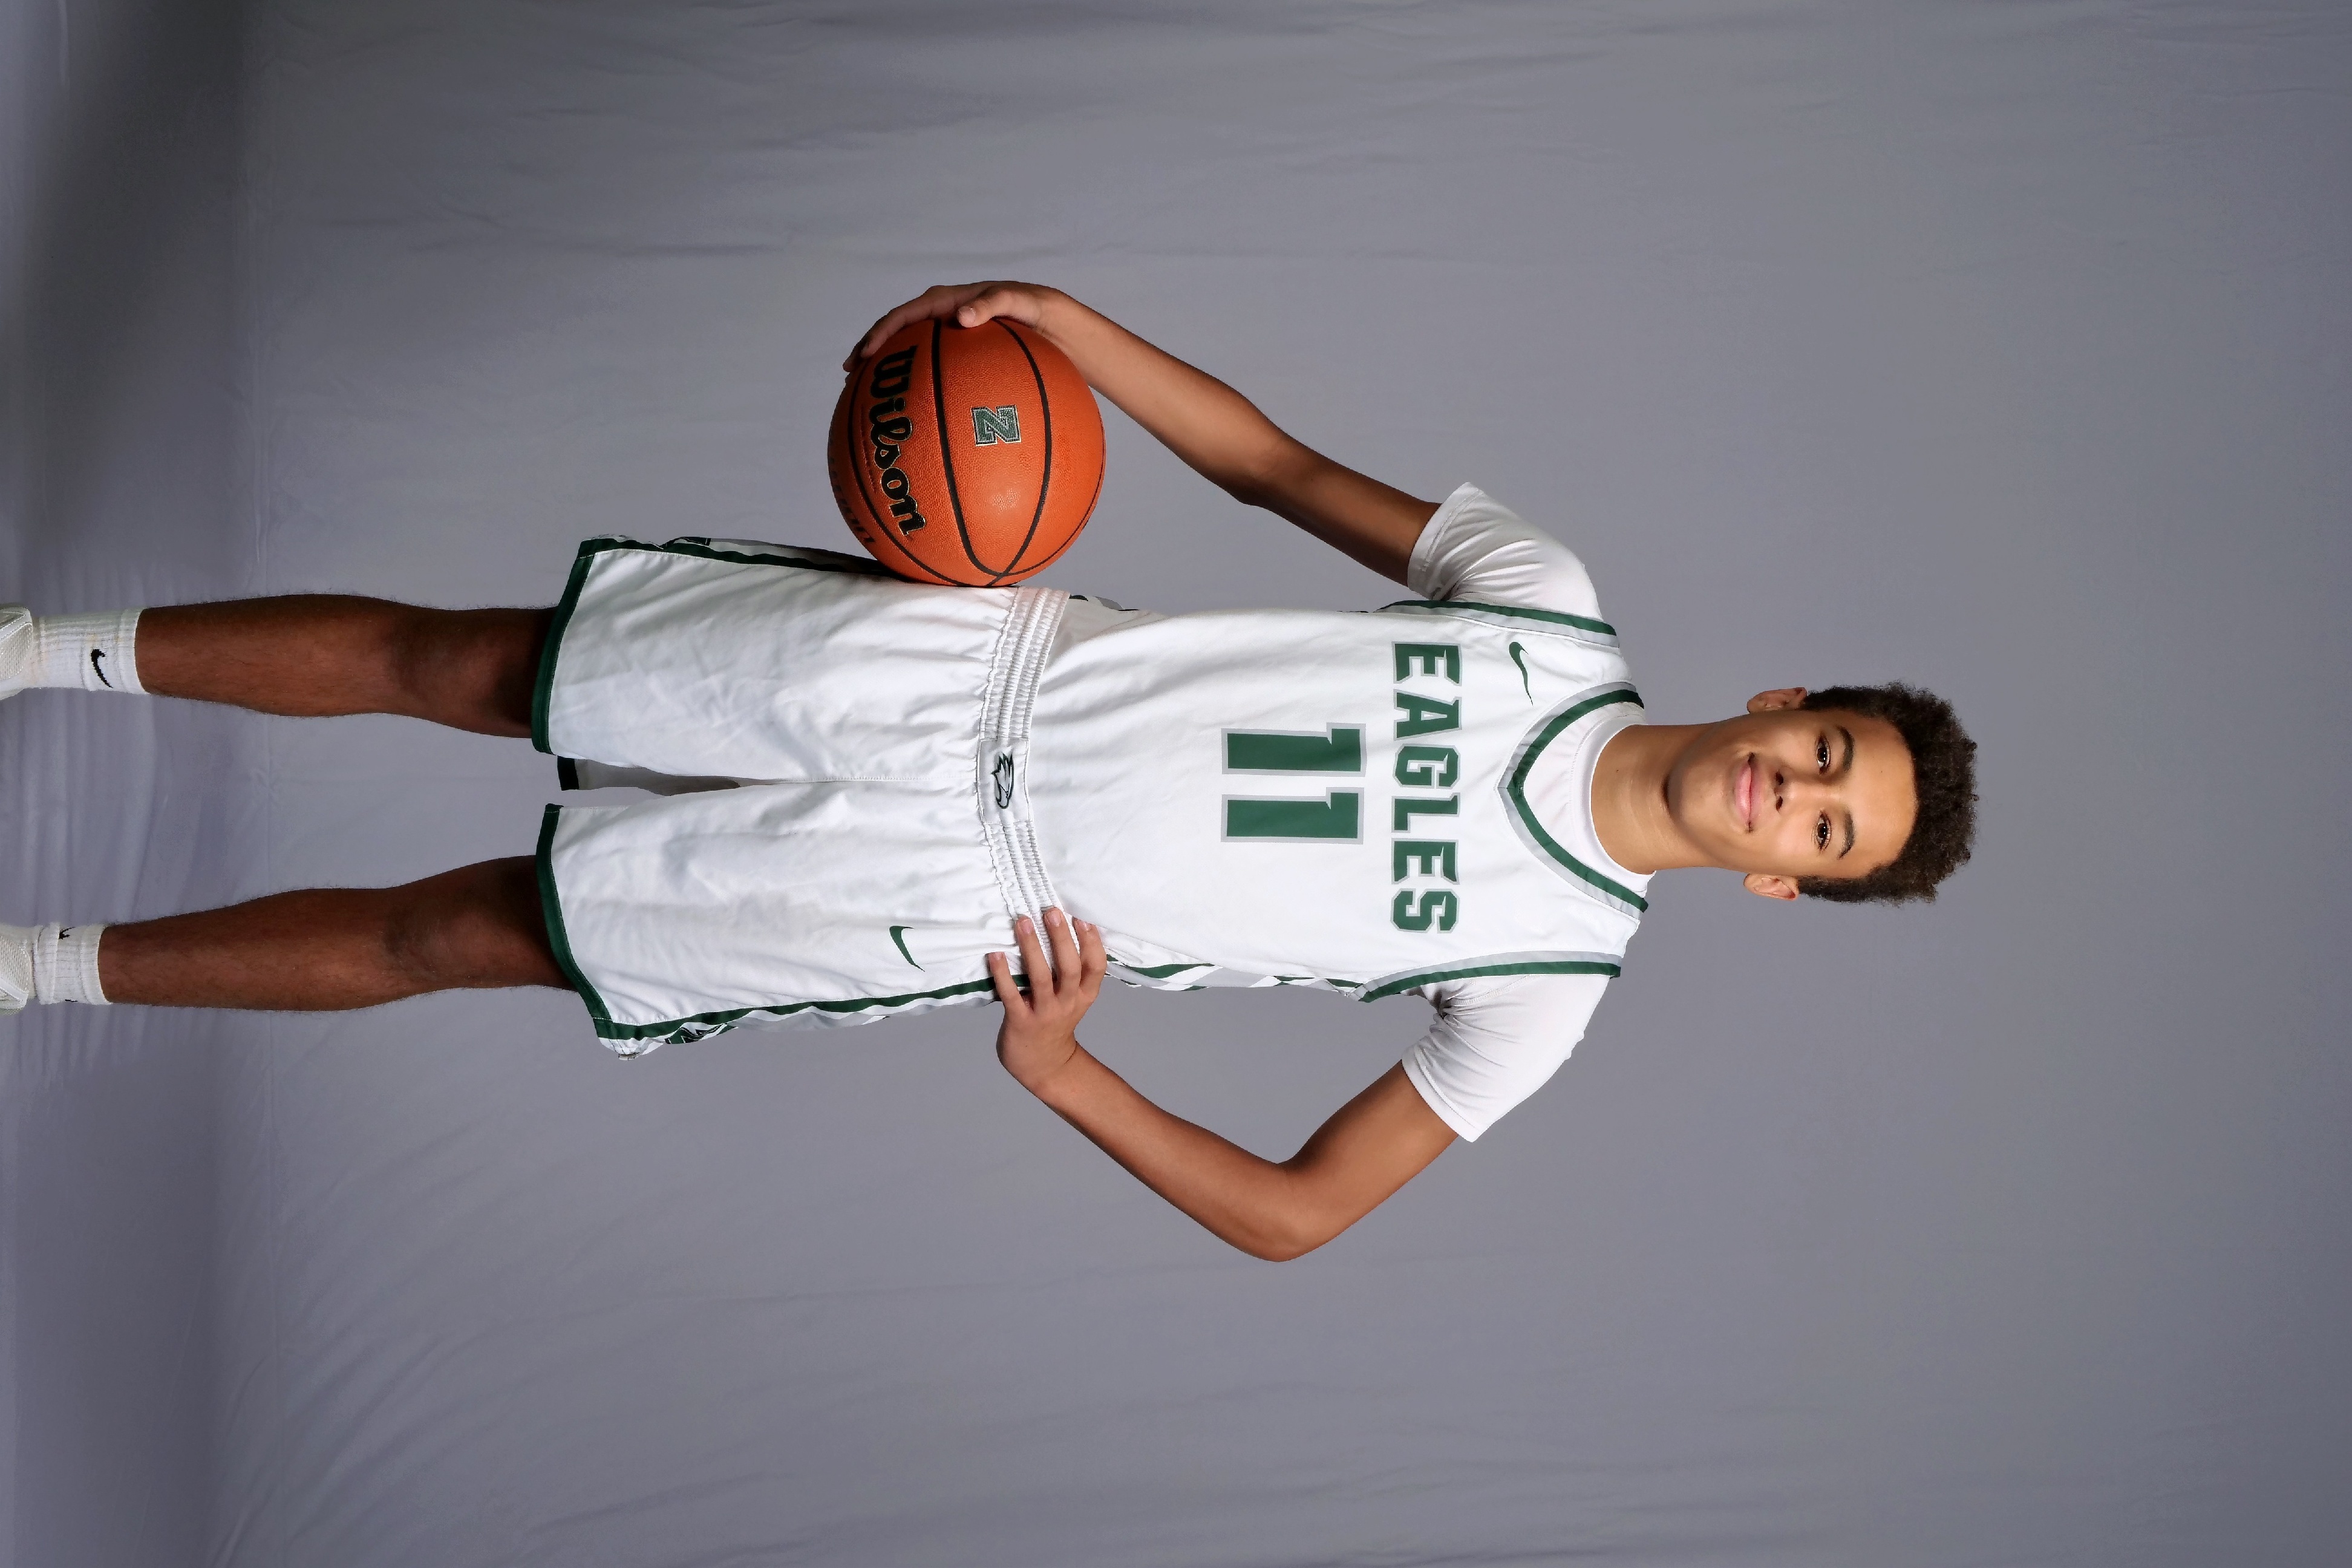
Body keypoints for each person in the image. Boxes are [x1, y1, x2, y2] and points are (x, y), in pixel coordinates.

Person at [0, 283, 1977, 1259]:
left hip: (953, 907)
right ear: (1783, 697)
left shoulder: (1549, 984)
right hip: (946, 672)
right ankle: (31, 649)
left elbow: (1299, 1214)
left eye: (1826, 828)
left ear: (1786, 882)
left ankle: (38, 969)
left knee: (456, 935)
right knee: (463, 663)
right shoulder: (1543, 602)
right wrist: (1062, 325)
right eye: (1824, 751)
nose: (1790, 793)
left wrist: (1068, 1075)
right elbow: (1277, 469)